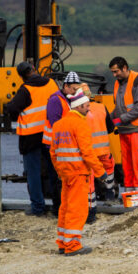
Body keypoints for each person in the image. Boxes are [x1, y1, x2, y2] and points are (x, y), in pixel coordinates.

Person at [49, 91, 105, 256]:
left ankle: (62, 242)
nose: (88, 110)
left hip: (66, 174)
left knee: (65, 208)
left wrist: (60, 171)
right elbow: (87, 153)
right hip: (79, 174)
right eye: (86, 106)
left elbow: (53, 153)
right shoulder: (80, 124)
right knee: (77, 210)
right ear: (79, 106)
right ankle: (73, 245)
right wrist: (101, 172)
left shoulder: (59, 125)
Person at [6, 61, 59, 216]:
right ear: (35, 69)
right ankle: (58, 207)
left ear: (22, 77)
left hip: (31, 137)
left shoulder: (26, 89)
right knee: (54, 171)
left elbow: (12, 108)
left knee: (33, 172)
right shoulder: (51, 83)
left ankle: (38, 208)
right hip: (50, 133)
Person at [109, 57, 138, 202]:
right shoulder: (118, 83)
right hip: (125, 130)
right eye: (113, 72)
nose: (114, 75)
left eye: (116, 71)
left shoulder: (137, 81)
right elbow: (119, 107)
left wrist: (121, 119)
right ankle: (130, 196)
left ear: (125, 68)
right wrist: (109, 119)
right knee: (127, 164)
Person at [42, 71, 83, 216]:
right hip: (53, 146)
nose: (75, 92)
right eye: (73, 89)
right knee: (56, 178)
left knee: (63, 179)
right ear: (65, 86)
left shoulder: (67, 99)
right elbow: (56, 125)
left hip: (63, 146)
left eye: (77, 89)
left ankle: (63, 208)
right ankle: (57, 209)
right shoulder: (56, 101)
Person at [81, 83, 117, 206]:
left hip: (89, 153)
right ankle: (109, 194)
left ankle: (91, 206)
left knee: (89, 178)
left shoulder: (78, 111)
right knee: (108, 170)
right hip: (104, 151)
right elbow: (111, 128)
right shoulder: (101, 107)